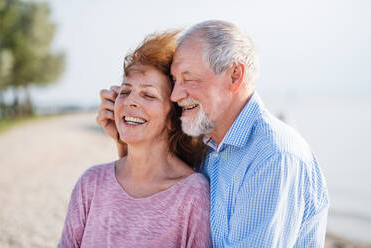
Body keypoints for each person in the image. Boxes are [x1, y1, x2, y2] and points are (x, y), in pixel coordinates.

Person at [98, 20, 329, 247]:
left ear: (234, 76)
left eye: (188, 79)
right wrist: (128, 143)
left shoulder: (273, 155)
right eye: (176, 81)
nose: (176, 95)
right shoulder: (208, 146)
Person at [59, 31, 211, 248]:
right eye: (124, 91)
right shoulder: (91, 183)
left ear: (173, 118)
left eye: (148, 95)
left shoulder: (192, 196)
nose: (129, 101)